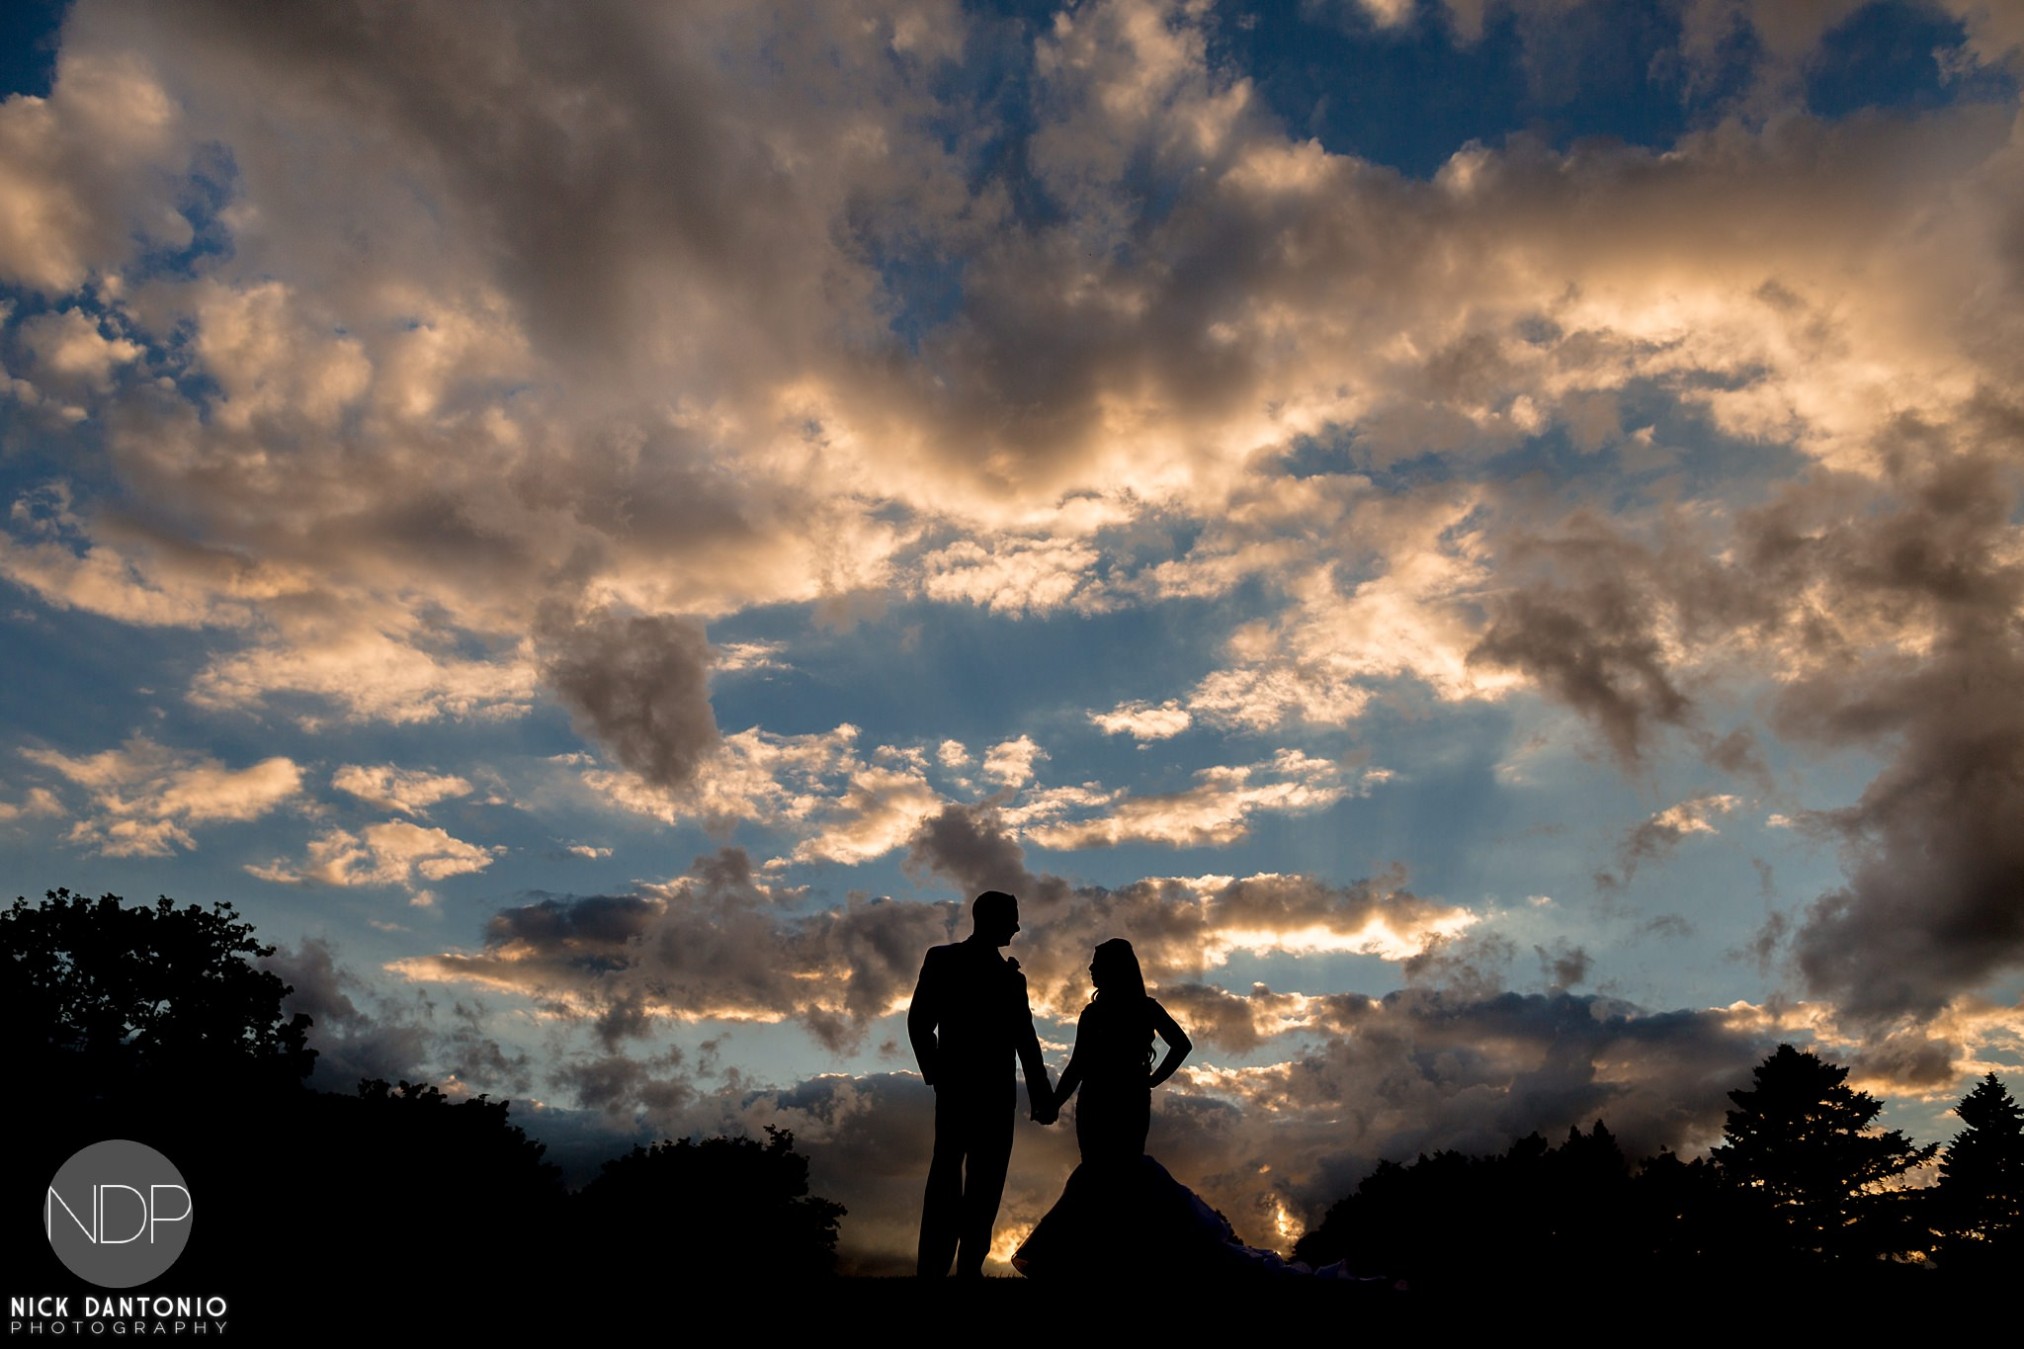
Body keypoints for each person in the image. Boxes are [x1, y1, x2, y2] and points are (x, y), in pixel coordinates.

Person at [908, 890, 1056, 1278]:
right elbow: (920, 1022)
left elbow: (1025, 1038)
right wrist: (938, 1074)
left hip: (989, 1092)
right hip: (967, 1089)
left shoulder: (1009, 978)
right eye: (1013, 919)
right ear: (992, 919)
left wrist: (1041, 1094)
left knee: (983, 1182)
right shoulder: (943, 959)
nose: (1018, 927)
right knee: (953, 1178)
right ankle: (940, 1268)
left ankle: (965, 1268)